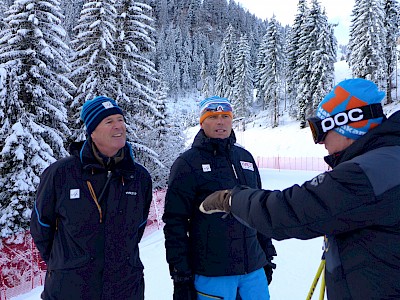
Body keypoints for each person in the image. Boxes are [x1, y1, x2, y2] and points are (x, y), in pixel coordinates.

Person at [199, 79, 400, 299]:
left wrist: (230, 199)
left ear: (347, 125)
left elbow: (290, 210)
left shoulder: (370, 171)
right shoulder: (388, 158)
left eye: (321, 131)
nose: (320, 143)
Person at [30, 96, 153, 300]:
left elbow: (138, 228)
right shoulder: (61, 174)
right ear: (92, 132)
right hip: (70, 290)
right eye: (109, 121)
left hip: (125, 288)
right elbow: (41, 226)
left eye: (120, 119)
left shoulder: (138, 177)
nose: (118, 126)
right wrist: (65, 265)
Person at [162, 96, 276, 300]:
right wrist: (180, 275)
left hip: (253, 269)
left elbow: (259, 209)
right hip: (212, 273)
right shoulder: (187, 163)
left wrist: (266, 253)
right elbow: (174, 222)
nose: (220, 122)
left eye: (225, 116)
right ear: (202, 121)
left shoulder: (245, 158)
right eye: (213, 117)